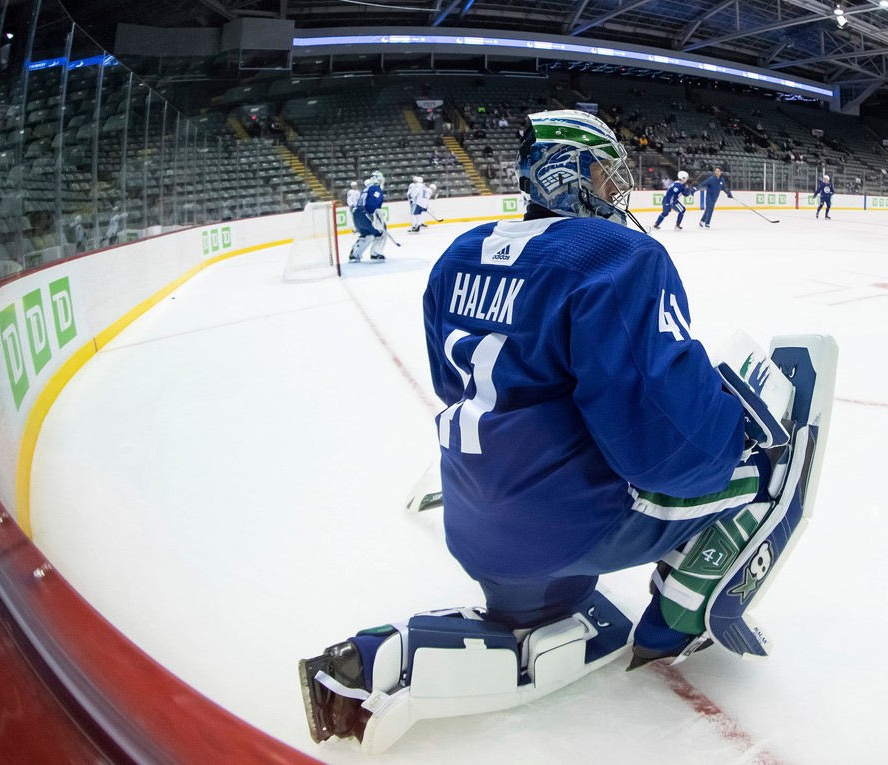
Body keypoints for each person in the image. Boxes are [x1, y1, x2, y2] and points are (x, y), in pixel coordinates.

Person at [298, 109, 794, 748]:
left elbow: (467, 390)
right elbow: (666, 451)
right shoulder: (614, 256)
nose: (616, 191)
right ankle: (678, 618)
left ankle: (513, 615)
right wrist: (733, 428)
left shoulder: (457, 255)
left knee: (541, 578)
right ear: (566, 172)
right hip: (565, 528)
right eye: (605, 174)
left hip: (477, 523)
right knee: (780, 461)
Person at [349, 171, 387, 262]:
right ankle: (376, 254)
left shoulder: (367, 189)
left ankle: (354, 254)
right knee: (381, 233)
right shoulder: (376, 189)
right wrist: (374, 216)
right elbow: (371, 204)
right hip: (365, 214)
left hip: (357, 215)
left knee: (366, 235)